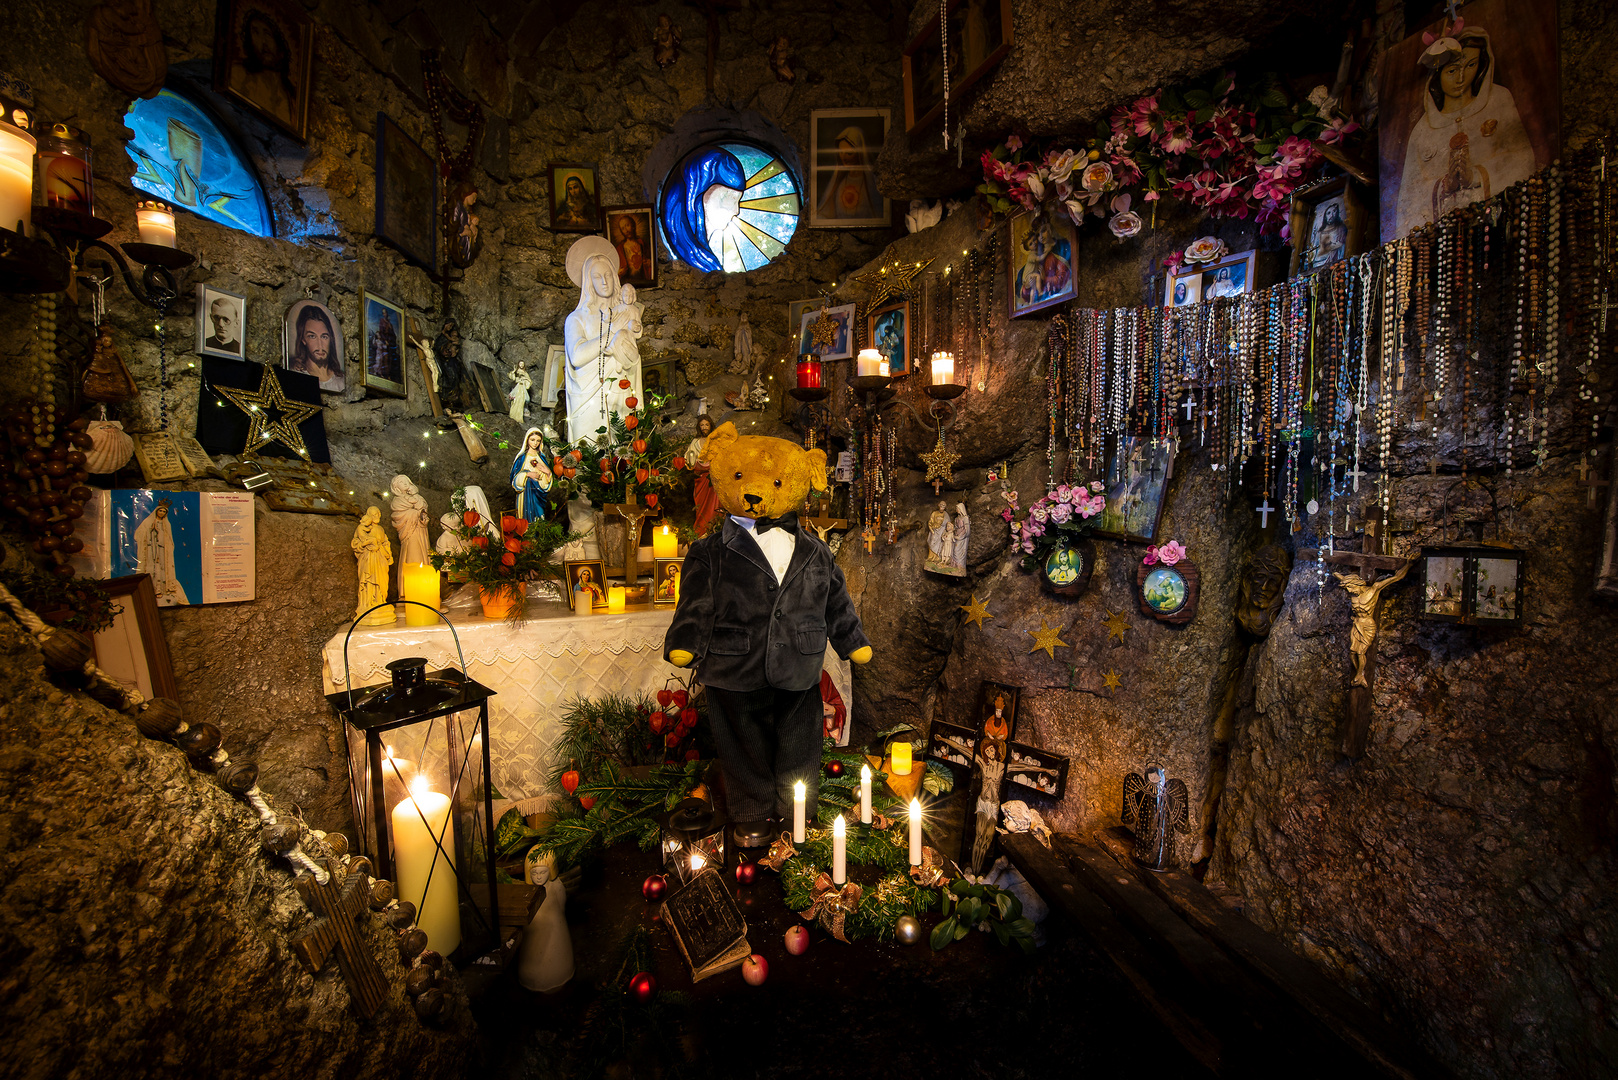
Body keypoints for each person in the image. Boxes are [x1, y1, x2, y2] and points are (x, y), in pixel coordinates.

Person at [1394, 23, 1534, 237]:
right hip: (1444, 243)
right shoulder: (1423, 128)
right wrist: (1444, 185)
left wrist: (1476, 176)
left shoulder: (1498, 101)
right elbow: (1407, 198)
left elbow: (1523, 161)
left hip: (1498, 232)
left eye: (1470, 65)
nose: (1461, 78)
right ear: (1437, 75)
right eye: (1452, 70)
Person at [231, 10, 297, 129]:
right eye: (256, 33)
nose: (264, 42)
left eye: (268, 34)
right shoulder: (237, 75)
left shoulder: (291, 98)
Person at [816, 125, 879, 221]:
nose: (843, 157)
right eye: (841, 152)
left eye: (849, 153)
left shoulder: (872, 184)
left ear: (860, 154)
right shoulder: (838, 184)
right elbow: (824, 215)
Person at [133, 499, 189, 606]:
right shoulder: (149, 522)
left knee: (162, 569)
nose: (162, 513)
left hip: (162, 551)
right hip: (151, 549)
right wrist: (150, 531)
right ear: (156, 511)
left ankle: (162, 590)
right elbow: (139, 534)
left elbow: (168, 540)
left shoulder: (166, 525)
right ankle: (153, 589)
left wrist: (159, 533)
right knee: (152, 568)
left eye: (164, 512)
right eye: (160, 511)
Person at [352, 507, 394, 623]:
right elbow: (356, 543)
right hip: (368, 557)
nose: (377, 516)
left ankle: (380, 601)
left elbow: (385, 542)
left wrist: (388, 553)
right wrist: (366, 544)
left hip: (380, 557)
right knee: (368, 579)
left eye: (378, 514)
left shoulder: (380, 529)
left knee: (382, 579)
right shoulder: (362, 529)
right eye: (374, 514)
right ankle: (368, 603)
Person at [288, 303, 342, 390]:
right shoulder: (297, 375)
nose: (320, 345)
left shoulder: (340, 380)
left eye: (324, 337)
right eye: (312, 336)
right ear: (303, 340)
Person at [509, 427, 555, 522]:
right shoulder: (522, 458)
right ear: (527, 440)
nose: (535, 443)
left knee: (539, 517)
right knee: (526, 519)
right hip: (526, 494)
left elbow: (546, 480)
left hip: (538, 494)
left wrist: (548, 474)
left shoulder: (541, 457)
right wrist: (527, 474)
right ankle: (527, 534)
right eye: (532, 440)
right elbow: (514, 479)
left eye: (538, 441)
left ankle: (538, 534)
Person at [685, 415, 720, 535]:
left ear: (710, 426)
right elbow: (689, 458)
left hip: (714, 478)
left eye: (706, 425)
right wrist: (696, 463)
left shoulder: (716, 441)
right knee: (701, 507)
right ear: (699, 427)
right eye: (702, 425)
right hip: (701, 479)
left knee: (715, 505)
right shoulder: (695, 442)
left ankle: (715, 529)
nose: (704, 427)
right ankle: (701, 531)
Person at [1310, 202, 1348, 269]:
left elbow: (1342, 245)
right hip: (1317, 263)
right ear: (1325, 216)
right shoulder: (1319, 232)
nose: (1332, 215)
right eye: (1329, 213)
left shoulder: (1340, 229)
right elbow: (1313, 248)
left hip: (1332, 264)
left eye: (1334, 212)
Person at [612, 214, 646, 282]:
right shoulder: (620, 248)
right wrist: (619, 272)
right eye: (623, 228)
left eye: (627, 225)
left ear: (633, 226)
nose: (626, 230)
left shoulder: (641, 243)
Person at [369, 309, 400, 378]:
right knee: (383, 360)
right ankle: (383, 373)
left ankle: (388, 374)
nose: (384, 314)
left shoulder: (389, 324)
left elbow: (392, 334)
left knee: (390, 359)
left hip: (390, 343)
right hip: (384, 343)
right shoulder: (382, 321)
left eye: (385, 313)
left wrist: (392, 341)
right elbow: (382, 332)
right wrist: (385, 340)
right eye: (383, 313)